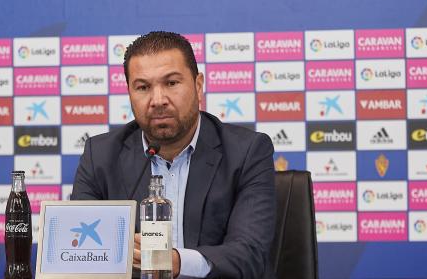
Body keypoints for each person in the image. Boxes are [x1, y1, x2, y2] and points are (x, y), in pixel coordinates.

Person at [71, 31, 275, 279]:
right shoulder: (100, 156)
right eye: (143, 87)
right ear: (129, 93)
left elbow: (249, 255)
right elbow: (81, 258)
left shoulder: (246, 152)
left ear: (198, 86)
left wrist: (176, 261)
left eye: (171, 83)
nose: (158, 100)